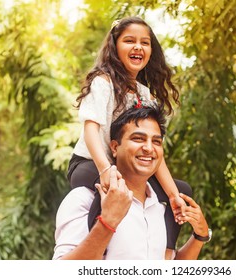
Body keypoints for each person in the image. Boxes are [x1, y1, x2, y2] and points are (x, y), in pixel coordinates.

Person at [67, 16, 189, 249]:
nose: (138, 47)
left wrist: (173, 194)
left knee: (182, 191)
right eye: (129, 41)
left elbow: (153, 152)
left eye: (145, 43)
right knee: (113, 186)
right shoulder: (103, 83)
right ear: (115, 46)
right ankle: (97, 253)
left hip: (126, 167)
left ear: (151, 51)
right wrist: (105, 168)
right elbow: (91, 129)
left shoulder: (145, 95)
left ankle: (165, 256)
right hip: (90, 163)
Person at [53, 105, 211, 260]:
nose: (149, 148)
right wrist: (107, 223)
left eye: (156, 142)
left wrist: (200, 236)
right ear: (115, 147)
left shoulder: (160, 205)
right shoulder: (84, 199)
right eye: (138, 138)